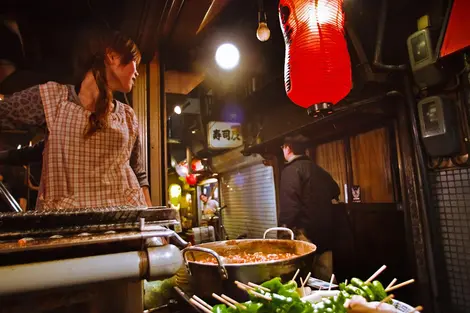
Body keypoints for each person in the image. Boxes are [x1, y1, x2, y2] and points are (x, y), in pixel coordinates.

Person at [0, 26, 152, 210]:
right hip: (69, 225)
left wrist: (154, 225)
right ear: (112, 56)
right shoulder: (55, 99)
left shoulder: (127, 116)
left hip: (123, 222)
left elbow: (138, 173)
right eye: (134, 61)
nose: (137, 72)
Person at [279, 134, 340, 281]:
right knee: (326, 278)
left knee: (303, 278)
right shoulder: (320, 170)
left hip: (304, 234)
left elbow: (290, 205)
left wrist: (283, 229)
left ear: (288, 148)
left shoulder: (291, 170)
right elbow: (335, 191)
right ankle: (331, 301)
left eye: (283, 147)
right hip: (326, 232)